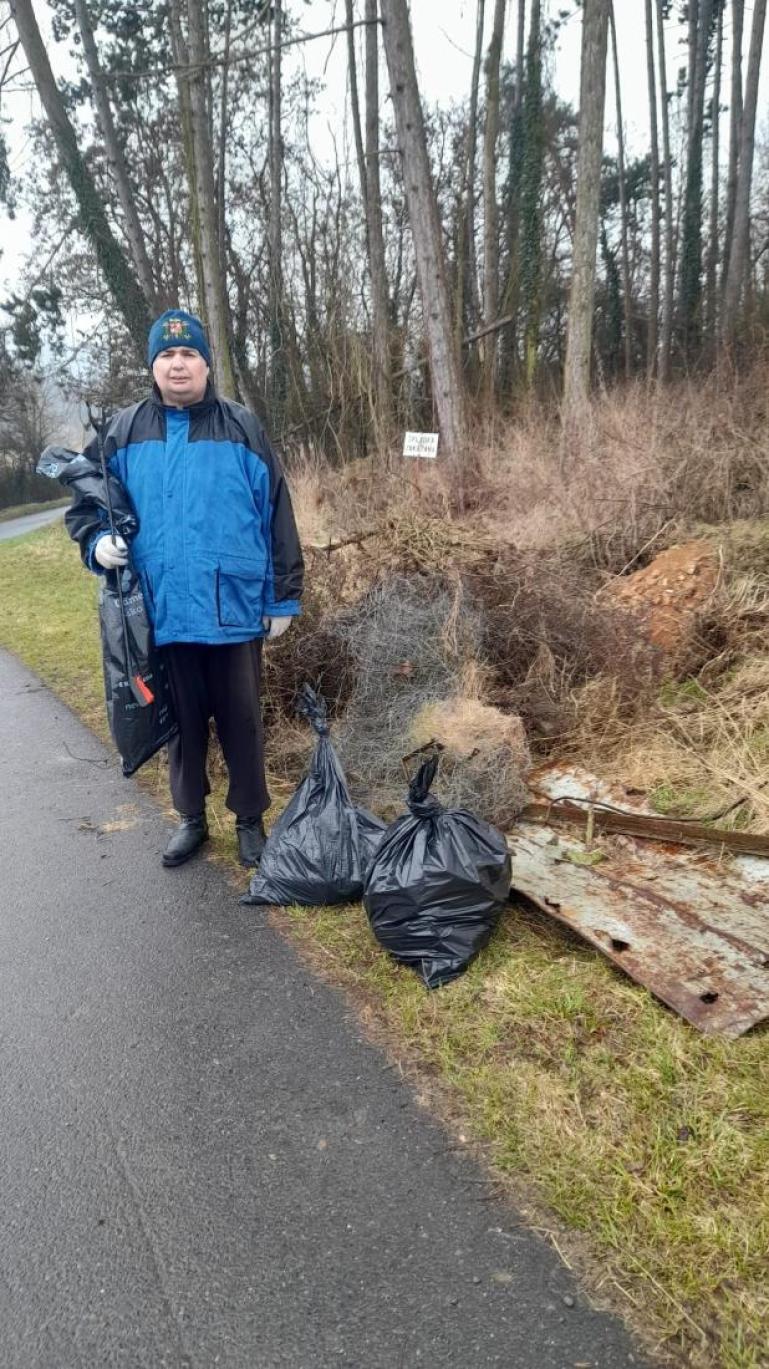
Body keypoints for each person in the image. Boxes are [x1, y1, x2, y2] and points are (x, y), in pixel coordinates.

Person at [67, 308, 303, 869]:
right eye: (167, 355)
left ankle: (250, 821)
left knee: (242, 722)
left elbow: (278, 514)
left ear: (205, 363)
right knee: (181, 724)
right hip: (161, 609)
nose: (178, 364)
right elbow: (86, 501)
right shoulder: (121, 432)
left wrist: (283, 595)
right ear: (153, 366)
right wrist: (97, 541)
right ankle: (191, 819)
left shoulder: (242, 426)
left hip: (234, 606)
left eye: (189, 354)